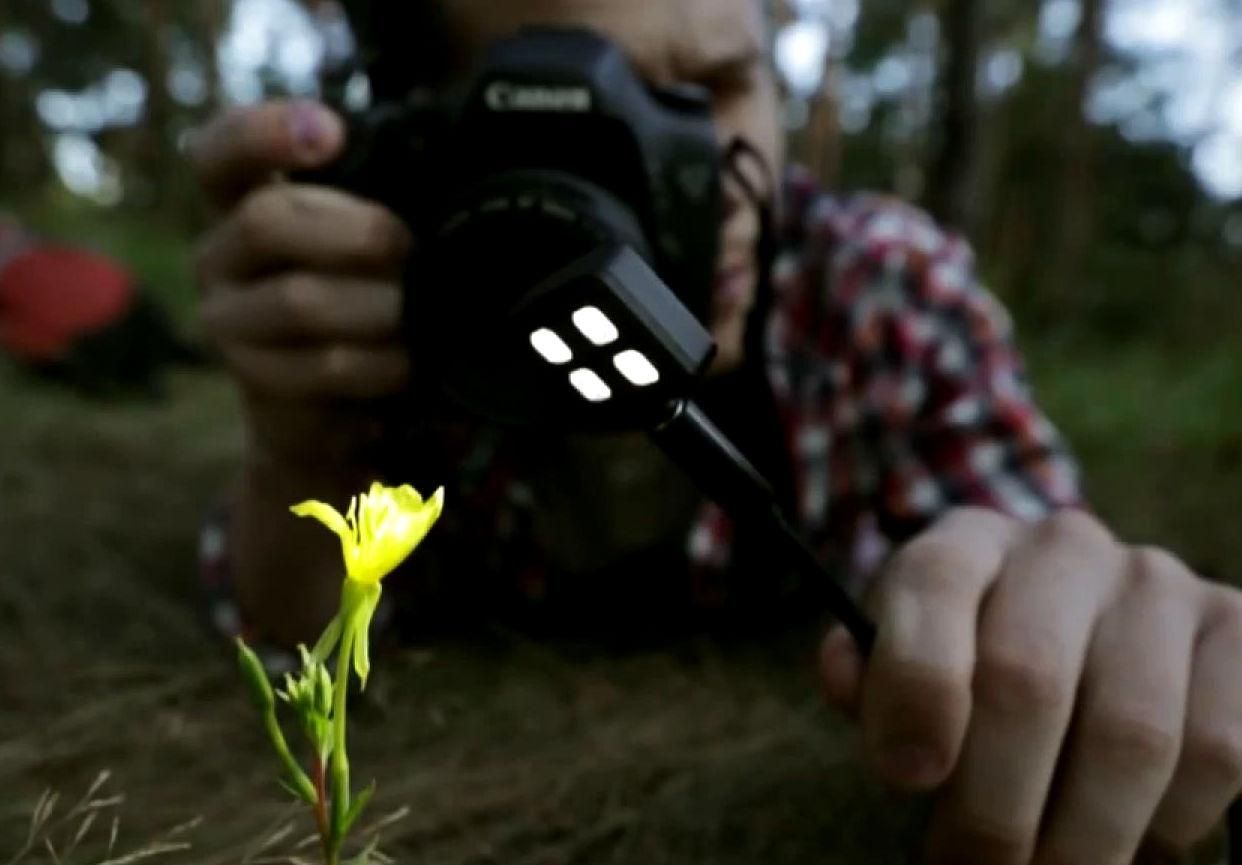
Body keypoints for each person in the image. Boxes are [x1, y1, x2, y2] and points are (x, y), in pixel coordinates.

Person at [189, 1, 1242, 862]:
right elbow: (294, 650)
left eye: (709, 90)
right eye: (575, 123)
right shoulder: (399, 305)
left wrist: (1050, 609)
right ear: (436, 137)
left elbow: (1027, 552)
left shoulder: (879, 289)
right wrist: (300, 449)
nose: (697, 169)